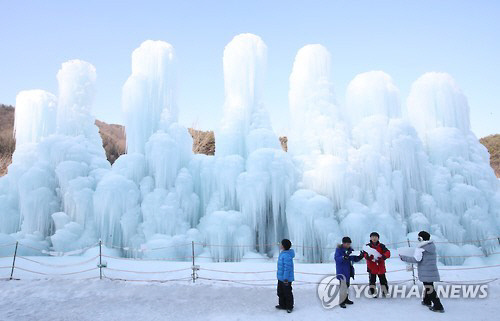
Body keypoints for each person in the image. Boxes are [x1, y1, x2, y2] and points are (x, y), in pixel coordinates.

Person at [399, 231, 445, 313]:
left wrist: (404, 257)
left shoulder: (421, 248)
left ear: (421, 238)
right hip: (431, 270)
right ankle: (426, 301)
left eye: (419, 237)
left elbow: (417, 259)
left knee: (429, 287)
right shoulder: (431, 246)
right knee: (428, 285)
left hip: (425, 271)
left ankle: (438, 306)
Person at [334, 236, 364, 308]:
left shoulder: (351, 250)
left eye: (349, 244)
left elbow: (354, 258)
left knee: (347, 285)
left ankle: (346, 299)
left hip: (348, 270)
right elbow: (337, 259)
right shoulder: (339, 250)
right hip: (342, 271)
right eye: (347, 244)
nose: (348, 245)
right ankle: (341, 301)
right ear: (343, 243)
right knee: (343, 286)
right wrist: (343, 257)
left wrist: (360, 256)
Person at [364, 232, 391, 297]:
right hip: (371, 267)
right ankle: (373, 293)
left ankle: (385, 292)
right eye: (373, 237)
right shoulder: (367, 246)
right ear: (370, 238)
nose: (374, 238)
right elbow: (364, 254)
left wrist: (383, 257)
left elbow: (388, 252)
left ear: (378, 238)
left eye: (375, 237)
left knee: (383, 280)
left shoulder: (382, 246)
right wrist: (368, 257)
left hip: (380, 266)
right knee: (372, 281)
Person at [276, 239, 295, 313]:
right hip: (281, 278)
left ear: (283, 246)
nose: (280, 245)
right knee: (280, 292)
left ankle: (289, 306)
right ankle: (282, 304)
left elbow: (287, 268)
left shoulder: (286, 256)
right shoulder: (283, 253)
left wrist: (286, 278)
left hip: (285, 279)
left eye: (281, 244)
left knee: (287, 292)